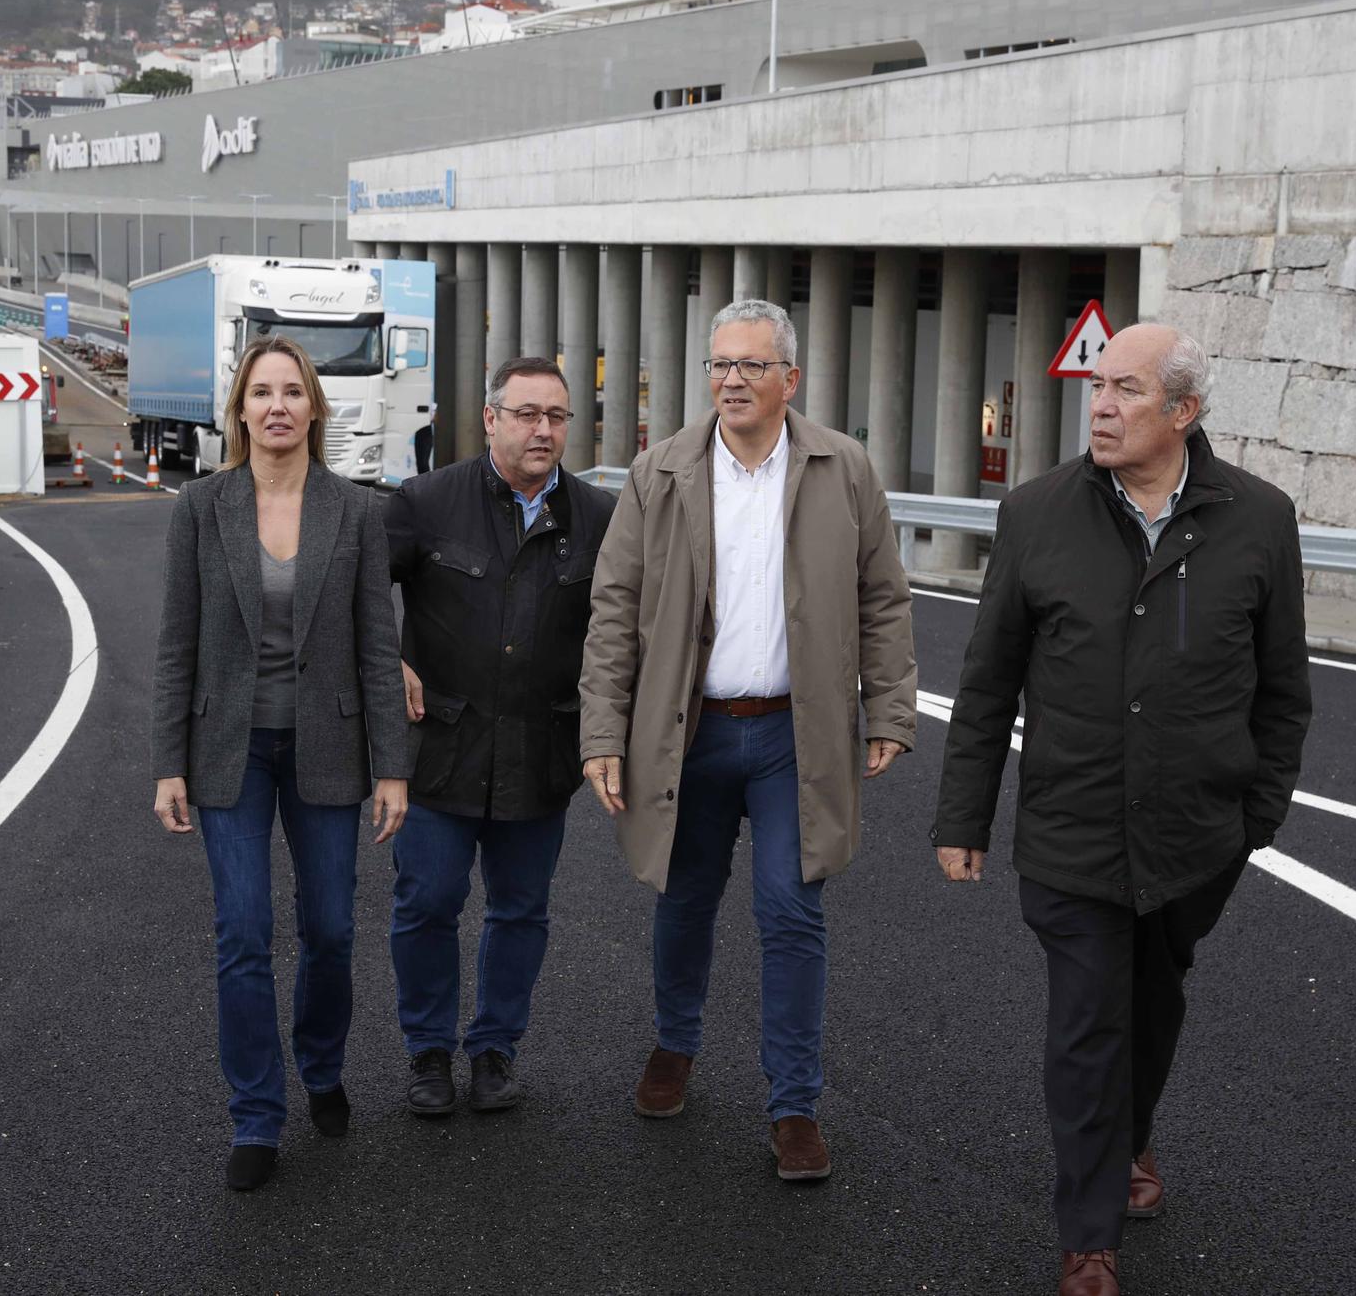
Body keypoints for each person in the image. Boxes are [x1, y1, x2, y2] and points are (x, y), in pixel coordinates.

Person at [932, 324, 1312, 1295]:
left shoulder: (1258, 520)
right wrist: (961, 816)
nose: (1098, 406)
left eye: (1124, 390)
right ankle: (1087, 1232)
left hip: (1197, 835)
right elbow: (987, 683)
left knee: (1153, 1001)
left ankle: (1131, 1135)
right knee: (1086, 1022)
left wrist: (1253, 817)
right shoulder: (1034, 514)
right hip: (1072, 828)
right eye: (1095, 387)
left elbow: (1281, 691)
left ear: (1182, 412)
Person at [578, 299, 917, 1182]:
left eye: (751, 366)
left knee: (790, 912)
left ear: (789, 379)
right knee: (684, 901)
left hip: (790, 738)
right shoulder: (661, 472)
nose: (731, 379)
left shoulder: (844, 470)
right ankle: (674, 1045)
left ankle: (794, 1103)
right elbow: (613, 609)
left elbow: (884, 598)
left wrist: (890, 709)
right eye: (720, 365)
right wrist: (603, 730)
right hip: (686, 735)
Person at [151, 335, 411, 1192]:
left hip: (329, 745)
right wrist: (168, 762)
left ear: (313, 408)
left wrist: (393, 766)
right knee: (243, 932)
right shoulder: (200, 507)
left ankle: (323, 1066)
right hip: (229, 748)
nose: (276, 407)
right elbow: (175, 646)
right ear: (239, 410)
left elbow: (379, 648)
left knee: (331, 929)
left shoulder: (361, 513)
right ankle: (257, 1114)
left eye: (292, 392)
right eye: (260, 393)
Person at [383, 355, 617, 1115]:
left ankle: (495, 1049)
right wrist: (389, 660)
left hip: (539, 750)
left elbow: (622, 632)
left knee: (521, 909)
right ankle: (428, 1051)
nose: (543, 429)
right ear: (491, 419)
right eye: (526, 414)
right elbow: (352, 590)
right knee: (428, 902)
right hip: (441, 747)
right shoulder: (425, 502)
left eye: (556, 416)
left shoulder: (601, 517)